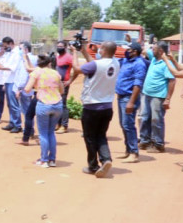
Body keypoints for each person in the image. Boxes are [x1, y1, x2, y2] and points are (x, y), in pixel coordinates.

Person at [68, 41, 118, 178]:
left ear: (103, 50)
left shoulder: (96, 65)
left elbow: (76, 68)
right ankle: (106, 159)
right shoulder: (115, 63)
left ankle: (93, 166)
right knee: (101, 135)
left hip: (92, 106)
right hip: (107, 106)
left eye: (101, 48)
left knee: (90, 137)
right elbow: (94, 65)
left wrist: (74, 52)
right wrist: (84, 51)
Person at [24, 53, 64, 167]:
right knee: (51, 132)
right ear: (49, 63)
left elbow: (27, 89)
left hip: (43, 104)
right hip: (57, 104)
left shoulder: (36, 72)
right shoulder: (56, 73)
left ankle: (44, 160)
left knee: (43, 134)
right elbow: (61, 91)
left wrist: (38, 86)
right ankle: (52, 160)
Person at [137, 42, 176, 154]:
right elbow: (144, 51)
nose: (151, 51)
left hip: (158, 96)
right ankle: (145, 140)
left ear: (160, 51)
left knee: (156, 120)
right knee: (145, 117)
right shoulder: (154, 59)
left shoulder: (167, 64)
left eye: (153, 49)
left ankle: (158, 144)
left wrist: (168, 99)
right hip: (147, 94)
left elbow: (172, 81)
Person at [115, 41, 147, 163]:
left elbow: (138, 84)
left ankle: (134, 153)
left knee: (128, 125)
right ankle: (128, 150)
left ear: (135, 51)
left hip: (129, 98)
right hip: (121, 97)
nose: (126, 51)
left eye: (129, 49)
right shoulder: (125, 61)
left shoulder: (139, 64)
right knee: (124, 125)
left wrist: (131, 102)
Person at [0, 37, 23, 133]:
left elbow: (13, 68)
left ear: (11, 43)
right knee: (9, 104)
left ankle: (17, 125)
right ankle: (12, 122)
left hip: (14, 81)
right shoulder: (9, 53)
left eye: (5, 46)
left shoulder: (17, 53)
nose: (4, 48)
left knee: (14, 104)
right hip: (8, 80)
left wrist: (2, 68)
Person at [17, 43, 40, 146]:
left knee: (28, 115)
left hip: (35, 94)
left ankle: (27, 135)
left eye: (20, 48)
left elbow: (26, 72)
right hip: (52, 100)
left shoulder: (36, 70)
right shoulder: (54, 73)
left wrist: (19, 89)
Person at [54, 41, 74, 132]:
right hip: (56, 84)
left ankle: (64, 125)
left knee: (63, 104)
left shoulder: (69, 57)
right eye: (58, 46)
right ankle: (58, 124)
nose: (59, 47)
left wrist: (70, 81)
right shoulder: (57, 57)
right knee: (57, 103)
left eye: (61, 46)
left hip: (64, 84)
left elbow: (76, 69)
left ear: (65, 47)